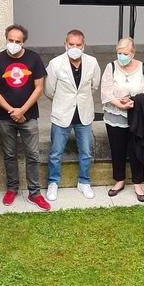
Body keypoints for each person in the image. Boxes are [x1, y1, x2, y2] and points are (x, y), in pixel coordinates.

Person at [0, 24, 49, 210]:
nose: (13, 44)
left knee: (33, 155)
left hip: (29, 117)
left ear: (23, 42)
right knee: (9, 154)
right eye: (11, 40)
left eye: (18, 41)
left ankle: (35, 193)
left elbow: (39, 88)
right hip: (5, 118)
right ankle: (12, 188)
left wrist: (22, 110)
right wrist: (12, 111)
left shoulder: (34, 59)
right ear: (6, 39)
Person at [45, 29, 101, 201]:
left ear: (84, 45)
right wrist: (64, 101)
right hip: (62, 114)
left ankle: (84, 182)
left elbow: (94, 86)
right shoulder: (55, 64)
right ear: (65, 44)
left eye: (78, 44)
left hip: (83, 114)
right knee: (56, 153)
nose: (74, 47)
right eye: (71, 44)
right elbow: (49, 90)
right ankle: (53, 182)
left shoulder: (92, 62)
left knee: (86, 152)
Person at [100, 38, 144, 201]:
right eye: (119, 53)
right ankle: (119, 180)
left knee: (137, 150)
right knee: (117, 149)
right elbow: (106, 91)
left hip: (137, 117)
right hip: (115, 115)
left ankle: (138, 183)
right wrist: (119, 104)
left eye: (125, 53)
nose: (121, 56)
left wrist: (133, 103)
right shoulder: (110, 67)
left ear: (133, 53)